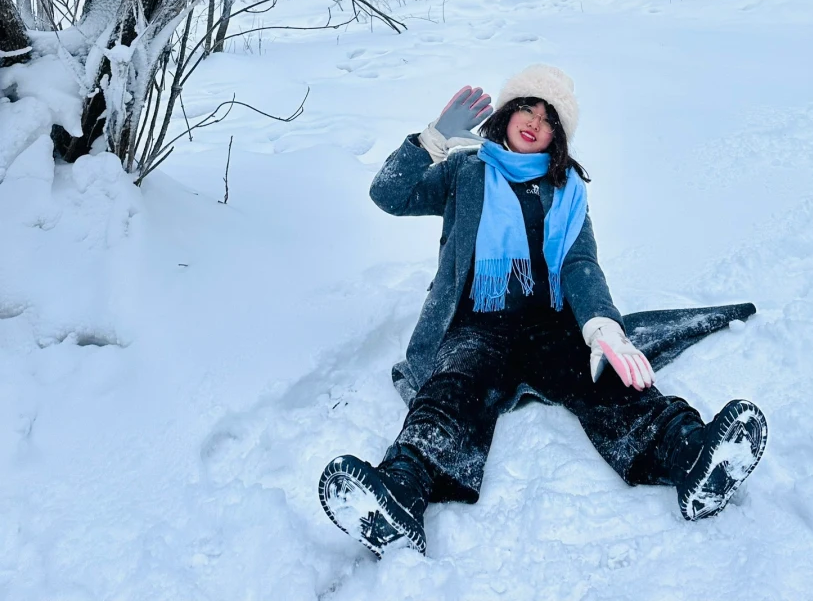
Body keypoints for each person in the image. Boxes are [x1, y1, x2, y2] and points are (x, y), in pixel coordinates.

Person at [319, 64, 766, 557]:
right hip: (476, 323)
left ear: (558, 136)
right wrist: (430, 140)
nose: (534, 122)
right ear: (507, 113)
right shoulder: (464, 171)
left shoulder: (566, 188)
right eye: (527, 108)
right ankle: (401, 492)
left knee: (607, 376)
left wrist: (601, 326)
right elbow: (388, 195)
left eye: (549, 119)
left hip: (547, 324)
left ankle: (690, 456)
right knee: (452, 387)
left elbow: (579, 263)